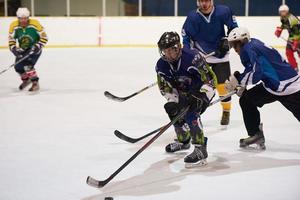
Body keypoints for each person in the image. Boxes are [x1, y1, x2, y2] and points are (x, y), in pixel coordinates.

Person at [225, 27, 300, 150]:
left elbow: (256, 73)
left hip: (288, 86)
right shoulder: (252, 45)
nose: (235, 49)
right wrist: (242, 83)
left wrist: (238, 81)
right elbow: (254, 68)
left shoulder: (249, 49)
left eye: (235, 44)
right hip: (273, 84)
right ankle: (256, 135)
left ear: (242, 41)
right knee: (246, 100)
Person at [155, 31, 217, 167]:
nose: (169, 54)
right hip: (182, 94)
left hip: (200, 91)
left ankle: (200, 149)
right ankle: (183, 141)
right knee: (172, 109)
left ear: (179, 47)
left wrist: (203, 95)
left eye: (173, 50)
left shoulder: (193, 58)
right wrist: (173, 101)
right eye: (166, 51)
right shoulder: (161, 65)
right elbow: (165, 88)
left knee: (191, 112)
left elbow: (211, 79)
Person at [182, 0, 238, 126]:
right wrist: (187, 54)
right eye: (201, 1)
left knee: (223, 87)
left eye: (207, 0)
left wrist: (227, 40)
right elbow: (186, 38)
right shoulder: (193, 17)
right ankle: (192, 114)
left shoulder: (223, 11)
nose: (204, 4)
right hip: (201, 57)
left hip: (220, 56)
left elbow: (234, 28)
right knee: (198, 87)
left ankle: (226, 111)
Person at [8, 7, 48, 92]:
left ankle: (35, 82)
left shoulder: (35, 24)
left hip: (34, 48)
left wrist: (38, 46)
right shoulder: (13, 25)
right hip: (23, 49)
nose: (23, 21)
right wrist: (14, 49)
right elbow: (11, 39)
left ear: (28, 17)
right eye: (21, 19)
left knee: (27, 65)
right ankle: (27, 80)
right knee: (17, 67)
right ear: (17, 18)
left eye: (25, 18)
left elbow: (44, 37)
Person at [275, 4, 300, 72]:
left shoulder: (292, 19)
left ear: (287, 11)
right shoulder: (283, 18)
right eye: (281, 12)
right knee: (288, 52)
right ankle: (294, 67)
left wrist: (296, 41)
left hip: (298, 37)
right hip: (292, 37)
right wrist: (279, 30)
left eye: (283, 11)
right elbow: (284, 25)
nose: (282, 13)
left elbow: (297, 31)